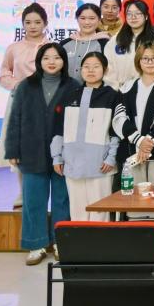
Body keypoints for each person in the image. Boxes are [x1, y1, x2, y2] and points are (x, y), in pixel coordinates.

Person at [5, 43, 79, 264]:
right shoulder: (25, 86)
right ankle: (35, 244)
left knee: (62, 199)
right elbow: (15, 119)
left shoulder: (74, 86)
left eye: (57, 57)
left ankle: (60, 243)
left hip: (63, 155)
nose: (51, 62)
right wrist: (12, 149)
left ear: (64, 61)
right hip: (31, 151)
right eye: (46, 58)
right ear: (39, 61)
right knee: (33, 200)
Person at [50, 51, 117, 222]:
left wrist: (111, 157)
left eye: (96, 67)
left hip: (100, 164)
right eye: (86, 67)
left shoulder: (113, 95)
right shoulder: (69, 95)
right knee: (77, 211)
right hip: (72, 162)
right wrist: (57, 157)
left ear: (105, 70)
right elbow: (58, 129)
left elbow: (116, 131)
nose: (90, 70)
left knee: (100, 212)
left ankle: (99, 241)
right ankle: (80, 241)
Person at [0, 2, 51, 206]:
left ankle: (43, 193)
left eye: (37, 22)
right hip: (20, 101)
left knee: (43, 147)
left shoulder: (51, 47)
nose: (32, 26)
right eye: (28, 22)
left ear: (45, 23)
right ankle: (22, 192)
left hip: (45, 102)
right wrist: (18, 85)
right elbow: (4, 73)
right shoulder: (14, 48)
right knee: (20, 147)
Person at [112, 43, 154, 188]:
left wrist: (148, 142)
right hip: (132, 155)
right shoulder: (127, 88)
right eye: (145, 58)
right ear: (138, 61)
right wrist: (139, 140)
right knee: (134, 198)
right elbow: (119, 118)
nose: (150, 62)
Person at [103, 0, 154, 89]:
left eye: (137, 13)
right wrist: (115, 88)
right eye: (129, 14)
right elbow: (108, 66)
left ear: (146, 16)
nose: (133, 17)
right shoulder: (116, 40)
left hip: (145, 89)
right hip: (117, 90)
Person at [60, 3, 110, 82]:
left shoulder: (106, 44)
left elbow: (109, 71)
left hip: (94, 88)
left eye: (92, 18)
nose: (87, 22)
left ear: (99, 20)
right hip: (67, 89)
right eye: (82, 18)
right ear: (77, 19)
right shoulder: (64, 44)